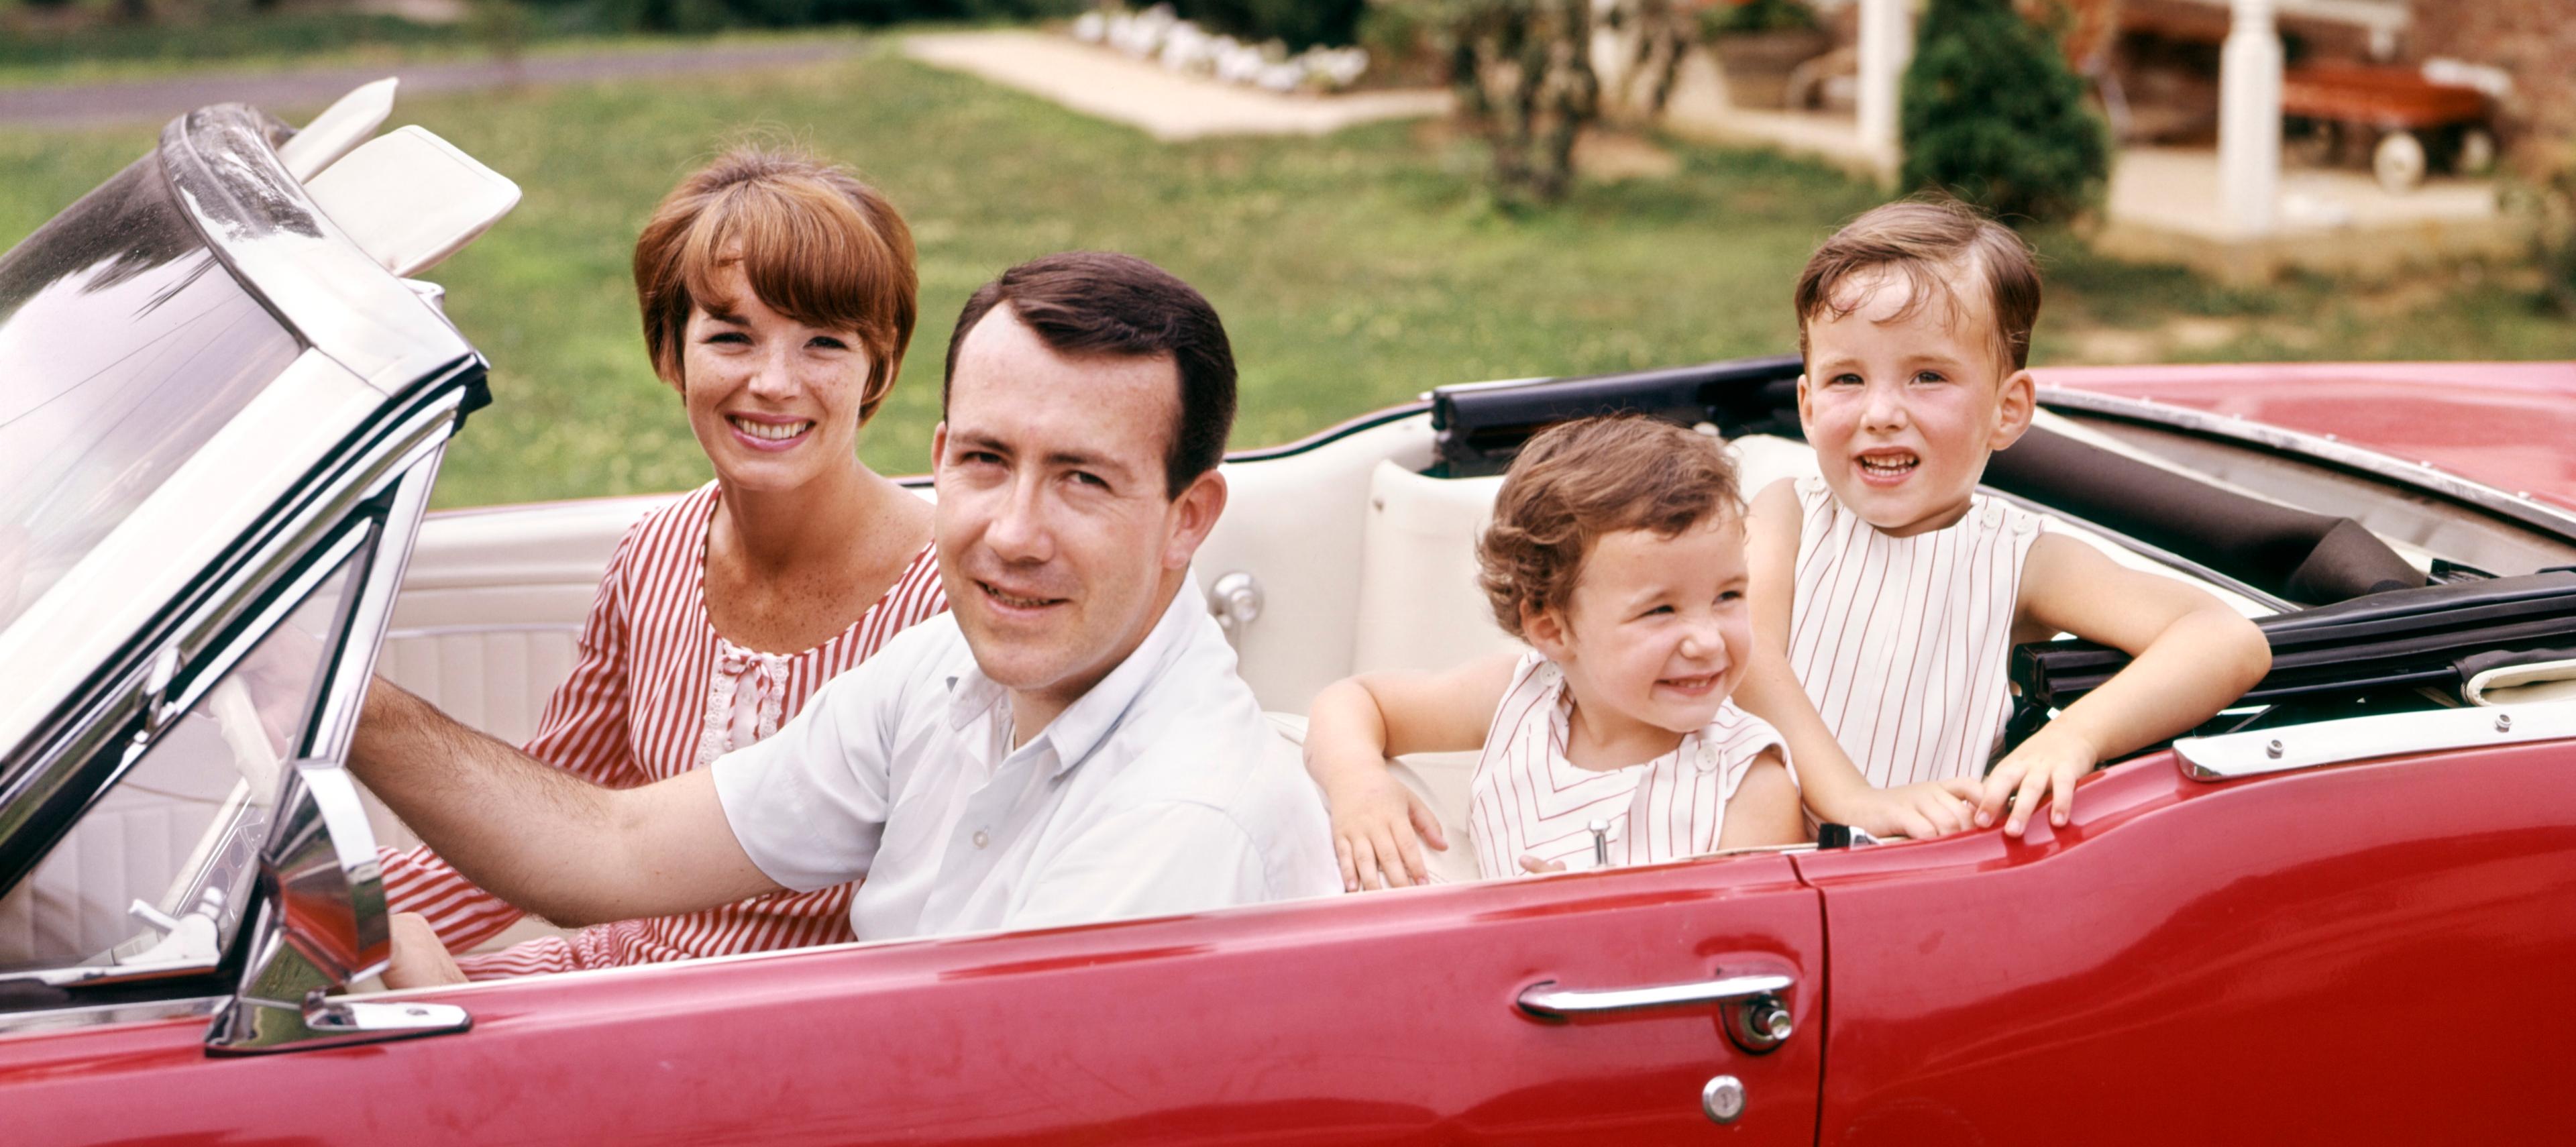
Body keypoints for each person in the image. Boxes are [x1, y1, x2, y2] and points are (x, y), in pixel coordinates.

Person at [358, 252, 1337, 977]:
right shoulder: (943, 671)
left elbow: (964, 1109)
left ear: (1188, 518)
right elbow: (613, 849)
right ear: (944, 451)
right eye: (988, 461)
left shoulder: (1180, 825)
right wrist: (347, 706)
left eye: (1083, 480)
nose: (1013, 534)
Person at [380, 146, 945, 984]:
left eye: (823, 343)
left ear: (881, 367)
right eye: (731, 336)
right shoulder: (654, 554)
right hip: (621, 974)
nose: (773, 382)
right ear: (671, 356)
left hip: (815, 1024)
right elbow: (545, 819)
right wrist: (331, 913)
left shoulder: (948, 599)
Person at [1728, 199, 2271, 839]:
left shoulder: (2020, 559)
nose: (1880, 412)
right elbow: (1749, 657)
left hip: (1915, 880)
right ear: (1809, 405)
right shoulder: (1788, 513)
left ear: (2007, 410)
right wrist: (1854, 798)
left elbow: (2227, 640)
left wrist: (2077, 735)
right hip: (1759, 862)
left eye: (1927, 376)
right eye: (1847, 379)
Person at [1304, 415, 1805, 891]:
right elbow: (1355, 701)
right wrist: (1359, 783)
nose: (1708, 641)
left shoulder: (1748, 785)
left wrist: (1589, 926)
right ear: (1551, 628)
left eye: (1728, 597)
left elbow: (1748, 959)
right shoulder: (1522, 697)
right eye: (1661, 611)